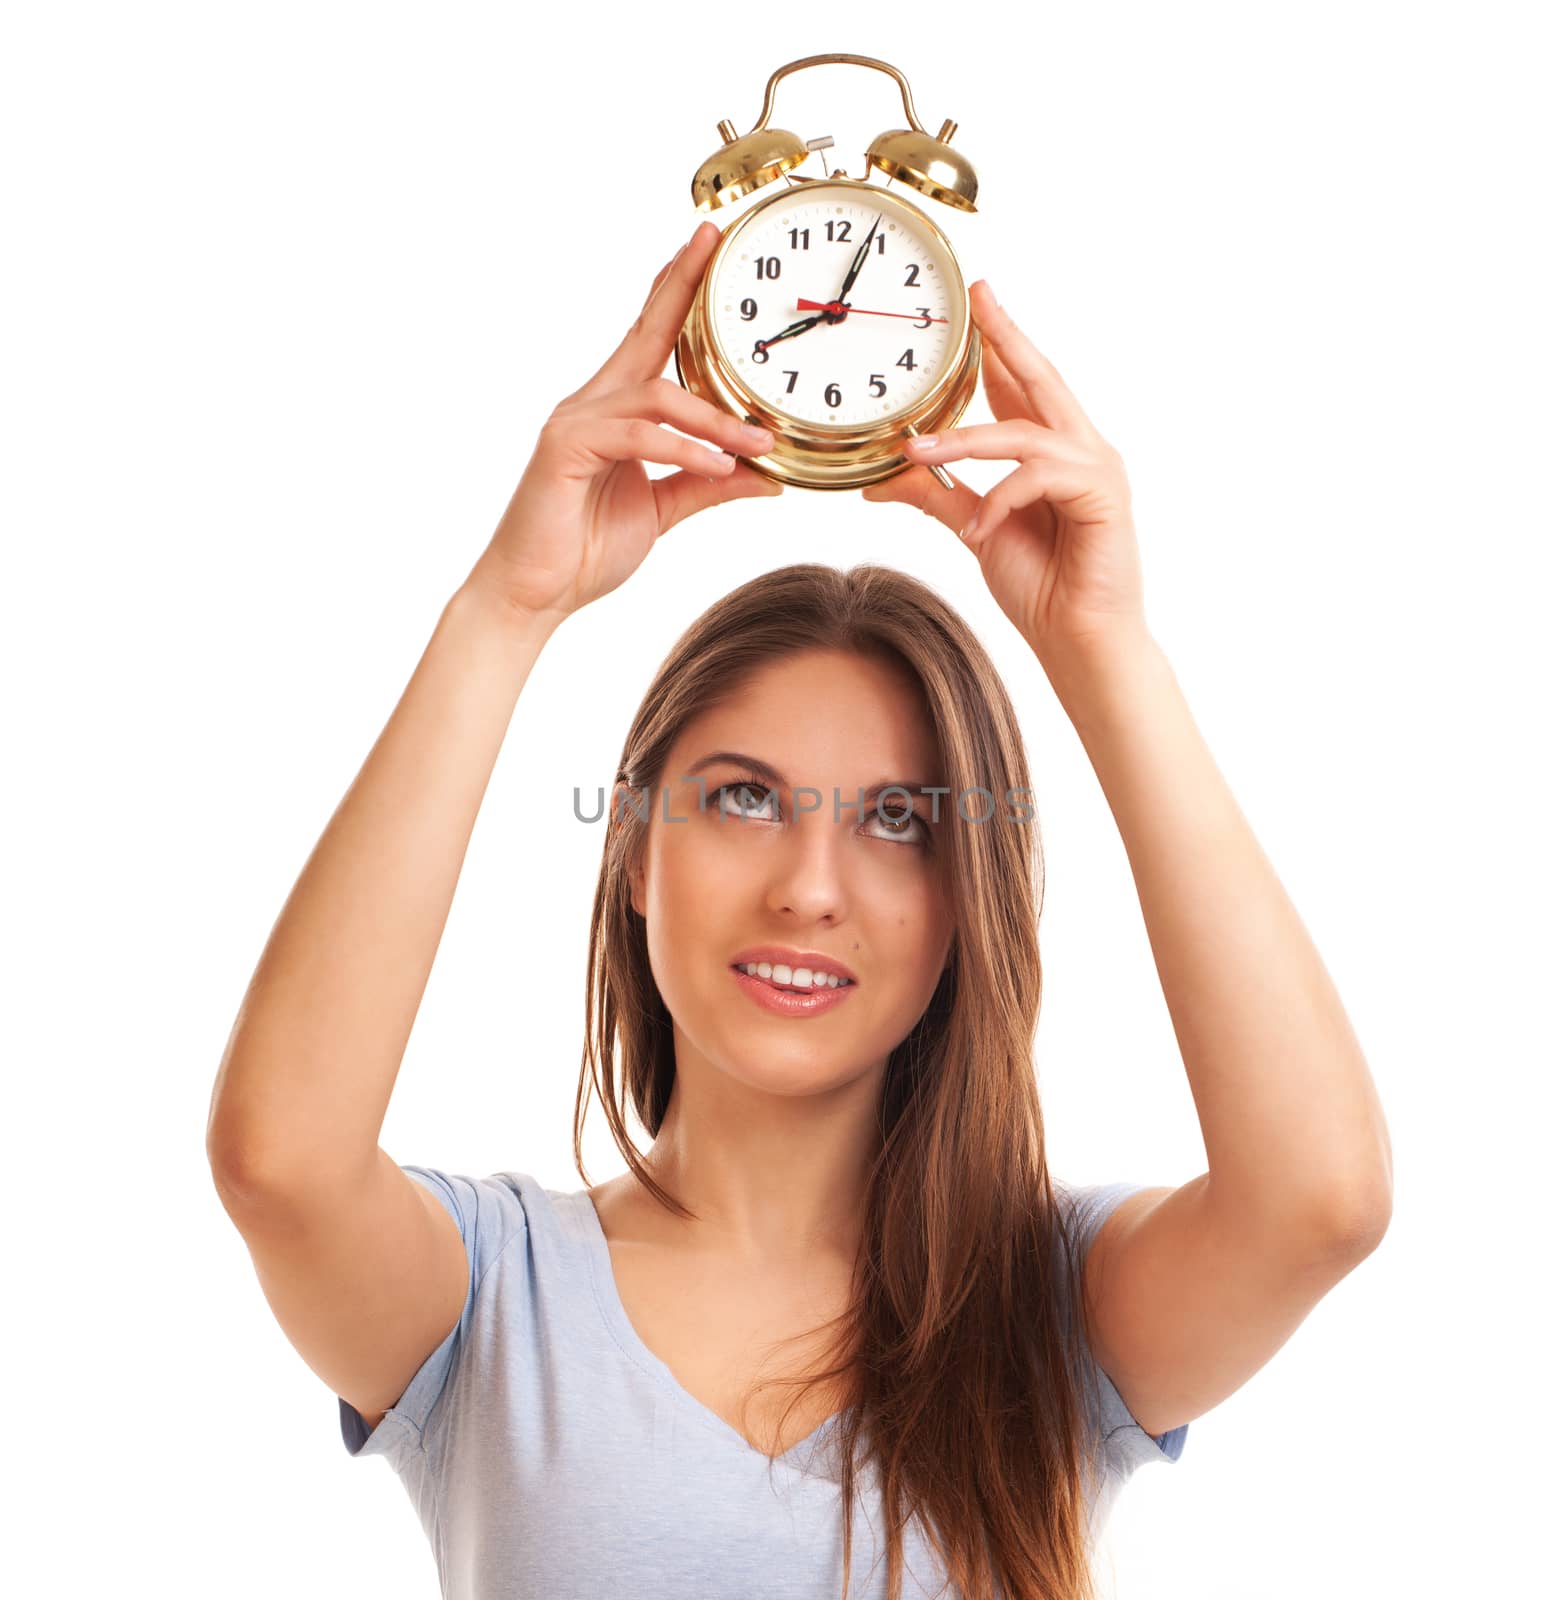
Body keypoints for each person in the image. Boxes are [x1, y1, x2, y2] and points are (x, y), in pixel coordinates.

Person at [206, 218, 1393, 1600]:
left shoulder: (1054, 1309)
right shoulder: (488, 1301)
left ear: (966, 910)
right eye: (743, 798)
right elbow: (279, 1161)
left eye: (897, 821)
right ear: (634, 857)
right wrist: (509, 605)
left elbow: (1320, 1200)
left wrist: (1101, 643)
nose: (809, 889)